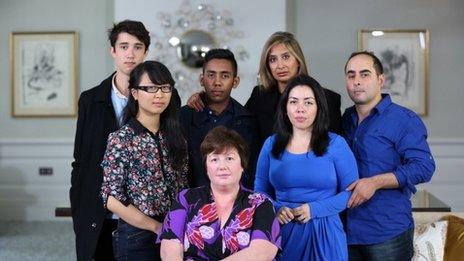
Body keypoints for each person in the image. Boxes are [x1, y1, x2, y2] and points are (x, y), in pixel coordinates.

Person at [342, 51, 435, 260]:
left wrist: (375, 182)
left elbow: (424, 167)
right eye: (351, 75)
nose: (357, 81)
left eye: (365, 74)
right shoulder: (345, 119)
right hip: (347, 232)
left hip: (387, 232)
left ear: (380, 80)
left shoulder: (403, 119)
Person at [70, 20, 150, 261]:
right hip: (97, 212)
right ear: (113, 51)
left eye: (137, 47)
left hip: (144, 214)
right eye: (124, 46)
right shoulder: (90, 100)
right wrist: (79, 208)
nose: (130, 54)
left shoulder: (163, 96)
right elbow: (80, 159)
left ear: (145, 52)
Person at [254, 74, 358, 260]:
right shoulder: (271, 144)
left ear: (319, 108)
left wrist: (314, 209)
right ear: (285, 108)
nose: (300, 109)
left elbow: (352, 193)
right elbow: (259, 192)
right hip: (282, 233)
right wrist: (276, 208)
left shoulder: (336, 144)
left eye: (308, 103)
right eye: (293, 102)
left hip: (326, 232)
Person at [187, 31, 342, 147]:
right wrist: (204, 97)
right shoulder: (259, 96)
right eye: (273, 59)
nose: (280, 65)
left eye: (286, 57)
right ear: (267, 65)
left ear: (298, 60)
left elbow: (335, 148)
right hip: (268, 179)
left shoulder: (328, 99)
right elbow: (235, 119)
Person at [100, 61, 188, 260]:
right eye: (150, 88)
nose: (159, 94)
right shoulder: (121, 138)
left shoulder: (176, 137)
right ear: (135, 93)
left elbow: (183, 186)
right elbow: (111, 199)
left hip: (175, 231)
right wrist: (155, 226)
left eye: (165, 88)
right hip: (137, 235)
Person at [160, 126, 280, 260]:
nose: (222, 166)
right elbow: (170, 250)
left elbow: (262, 252)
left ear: (242, 165)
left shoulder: (260, 202)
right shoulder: (186, 198)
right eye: (214, 159)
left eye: (229, 158)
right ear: (206, 167)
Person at [180, 49, 259, 189]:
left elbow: (251, 171)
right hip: (193, 203)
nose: (217, 82)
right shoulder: (183, 116)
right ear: (202, 79)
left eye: (224, 76)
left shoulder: (248, 120)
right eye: (211, 75)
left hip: (236, 204)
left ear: (235, 81)